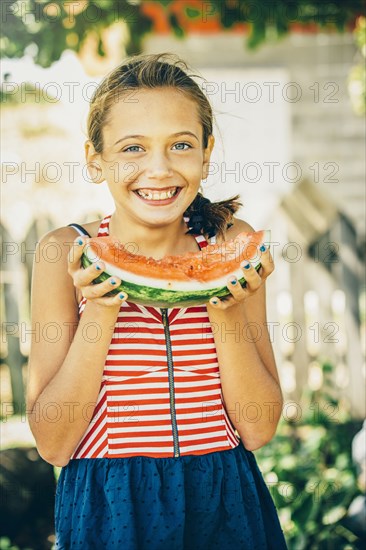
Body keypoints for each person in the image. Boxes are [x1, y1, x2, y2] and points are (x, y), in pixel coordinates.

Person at [27, 53, 287, 550]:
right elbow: (54, 443)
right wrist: (100, 310)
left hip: (224, 495)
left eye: (181, 145)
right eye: (132, 148)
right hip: (110, 500)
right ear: (94, 159)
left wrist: (223, 303)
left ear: (206, 154)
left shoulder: (232, 243)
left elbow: (257, 428)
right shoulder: (63, 252)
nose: (159, 169)